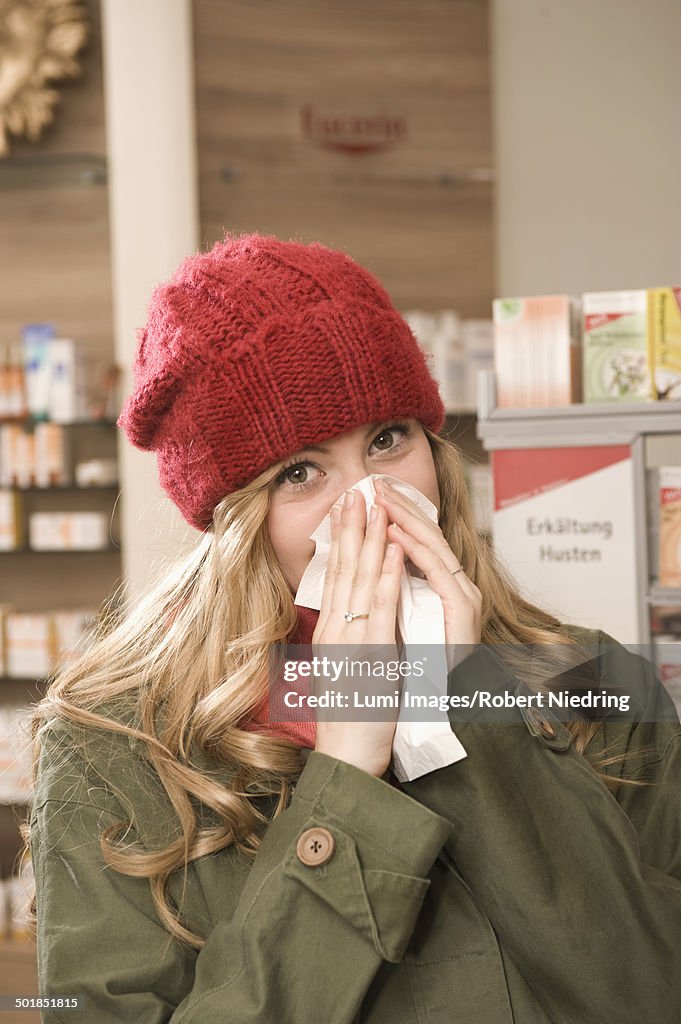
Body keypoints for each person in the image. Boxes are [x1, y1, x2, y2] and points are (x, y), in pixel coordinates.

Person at [24, 234, 681, 1024]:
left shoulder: (599, 682)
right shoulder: (113, 743)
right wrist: (343, 785)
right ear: (234, 524)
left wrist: (470, 704)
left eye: (386, 440)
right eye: (300, 472)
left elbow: (648, 990)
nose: (367, 503)